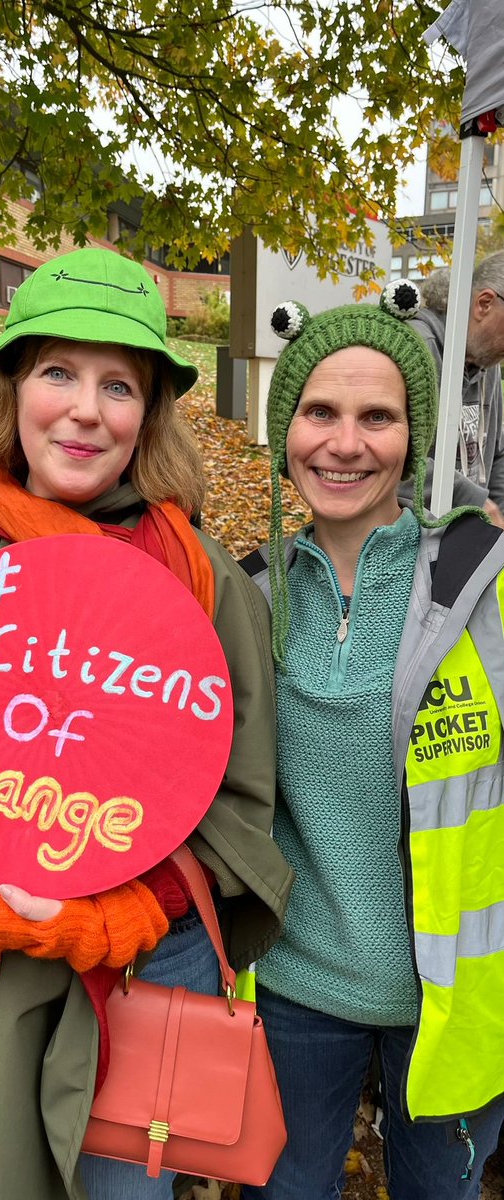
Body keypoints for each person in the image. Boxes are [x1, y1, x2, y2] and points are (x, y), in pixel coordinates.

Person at [0, 247, 294, 1200]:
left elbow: (237, 802)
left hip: (129, 991)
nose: (84, 410)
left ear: (147, 415)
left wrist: (125, 910)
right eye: (57, 373)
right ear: (11, 390)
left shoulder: (202, 587)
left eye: (117, 385)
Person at [241, 279, 504, 1200]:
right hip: (293, 989)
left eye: (376, 417)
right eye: (319, 411)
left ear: (413, 435)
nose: (344, 443)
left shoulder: (484, 582)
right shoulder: (247, 595)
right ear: (284, 430)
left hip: (457, 998)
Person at [399, 251, 504, 524]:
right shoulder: (417, 348)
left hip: (467, 530)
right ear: (484, 303)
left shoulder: (487, 361)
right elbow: (396, 458)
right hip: (413, 531)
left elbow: (497, 452)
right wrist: (474, 501)